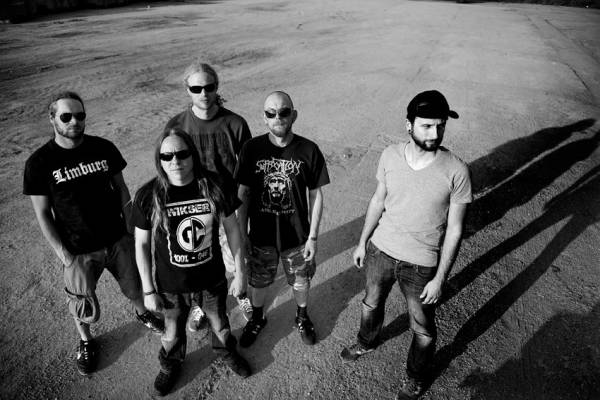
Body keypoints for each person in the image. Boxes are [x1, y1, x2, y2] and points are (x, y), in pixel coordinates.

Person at [340, 90, 472, 400]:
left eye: (440, 126)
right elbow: (378, 200)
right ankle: (367, 341)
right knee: (371, 303)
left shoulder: (457, 171)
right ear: (408, 125)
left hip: (421, 265)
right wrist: (362, 242)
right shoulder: (389, 155)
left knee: (422, 327)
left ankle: (415, 376)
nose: (435, 134)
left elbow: (455, 229)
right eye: (427, 126)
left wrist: (440, 278)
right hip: (380, 251)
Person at [23, 91, 164, 377]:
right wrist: (63, 254)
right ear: (52, 119)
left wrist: (129, 228)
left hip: (117, 239)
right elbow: (43, 213)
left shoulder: (103, 148)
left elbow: (121, 188)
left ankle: (143, 313)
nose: (74, 121)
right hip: (77, 249)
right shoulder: (39, 163)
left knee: (135, 286)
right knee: (81, 301)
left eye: (80, 115)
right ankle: (86, 341)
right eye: (66, 116)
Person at [132, 128, 251, 396]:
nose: (175, 161)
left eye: (182, 153)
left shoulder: (215, 186)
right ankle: (170, 364)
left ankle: (226, 352)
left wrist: (240, 273)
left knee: (220, 324)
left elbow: (233, 230)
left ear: (193, 155)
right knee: (171, 332)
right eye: (167, 156)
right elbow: (141, 244)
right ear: (159, 159)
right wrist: (148, 290)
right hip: (171, 286)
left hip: (212, 279)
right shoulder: (148, 195)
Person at [235, 91, 330, 347]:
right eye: (271, 113)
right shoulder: (251, 149)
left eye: (284, 112)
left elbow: (316, 195)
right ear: (264, 117)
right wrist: (242, 235)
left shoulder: (308, 149)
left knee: (301, 280)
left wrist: (313, 237)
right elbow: (243, 194)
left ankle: (302, 316)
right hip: (261, 235)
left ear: (293, 115)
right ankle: (257, 317)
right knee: (258, 280)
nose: (278, 117)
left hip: (297, 236)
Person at [165, 62, 253, 328]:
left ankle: (241, 294)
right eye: (196, 88)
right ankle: (200, 304)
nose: (203, 93)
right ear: (187, 90)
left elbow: (246, 174)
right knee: (198, 262)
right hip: (193, 209)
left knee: (234, 258)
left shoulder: (235, 124)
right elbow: (168, 167)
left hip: (226, 207)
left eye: (209, 87)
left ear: (216, 87)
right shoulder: (177, 125)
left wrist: (242, 213)